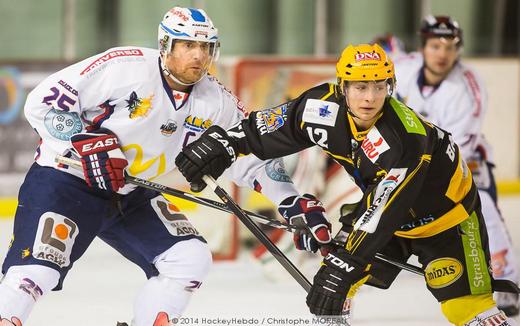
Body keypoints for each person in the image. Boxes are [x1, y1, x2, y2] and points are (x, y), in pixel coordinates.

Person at [0, 6, 332, 326]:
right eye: (188, 45)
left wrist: (291, 200)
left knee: (189, 259)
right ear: (165, 45)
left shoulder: (217, 102)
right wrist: (85, 139)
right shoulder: (124, 67)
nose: (198, 56)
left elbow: (252, 161)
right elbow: (41, 102)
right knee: (35, 273)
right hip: (66, 180)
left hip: (132, 193)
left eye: (205, 47)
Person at [175, 43, 520, 325]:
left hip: (448, 222)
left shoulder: (405, 139)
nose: (369, 97)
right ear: (342, 87)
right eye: (359, 86)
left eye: (379, 86)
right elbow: (268, 129)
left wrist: (345, 264)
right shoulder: (319, 107)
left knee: (466, 308)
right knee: (331, 297)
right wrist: (226, 141)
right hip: (386, 215)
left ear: (390, 87)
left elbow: (386, 209)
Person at [390, 15, 519, 316]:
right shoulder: (403, 69)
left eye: (450, 46)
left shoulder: (467, 90)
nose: (442, 53)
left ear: (458, 50)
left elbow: (458, 148)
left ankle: (506, 278)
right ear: (423, 47)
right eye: (435, 45)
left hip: (464, 162)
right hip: (409, 161)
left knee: (484, 210)